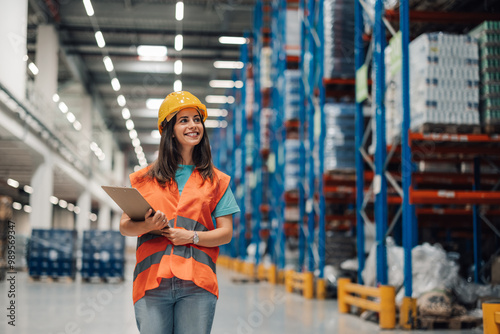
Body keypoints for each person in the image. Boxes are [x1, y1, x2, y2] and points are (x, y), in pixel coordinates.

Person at [119, 91, 240, 334]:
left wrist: (192, 237)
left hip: (198, 285)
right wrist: (148, 226)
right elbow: (125, 226)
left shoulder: (217, 181)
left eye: (196, 119)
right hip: (152, 283)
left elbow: (226, 233)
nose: (193, 125)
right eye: (183, 120)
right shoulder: (144, 179)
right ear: (169, 129)